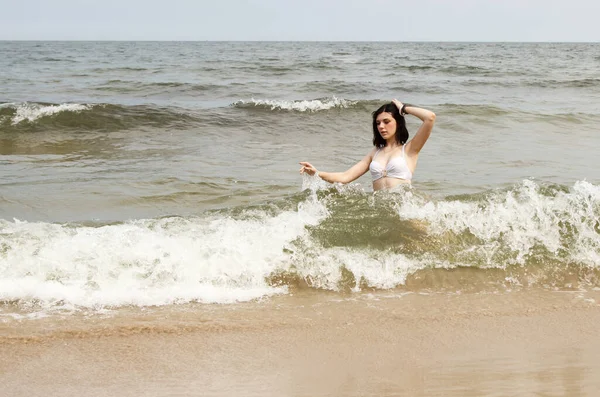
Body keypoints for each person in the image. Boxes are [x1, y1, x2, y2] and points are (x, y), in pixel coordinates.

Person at [299, 99, 436, 191]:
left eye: (386, 121)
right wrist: (317, 173)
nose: (381, 126)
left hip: (404, 210)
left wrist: (403, 109)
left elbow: (429, 117)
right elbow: (345, 177)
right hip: (380, 213)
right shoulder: (375, 153)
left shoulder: (410, 149)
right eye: (378, 123)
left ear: (398, 123)